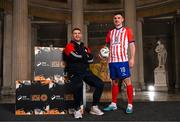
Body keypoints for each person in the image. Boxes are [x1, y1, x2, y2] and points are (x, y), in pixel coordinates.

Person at [64, 28, 104, 119]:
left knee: (100, 84)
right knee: (78, 86)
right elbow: (73, 56)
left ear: (81, 35)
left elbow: (91, 60)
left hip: (86, 71)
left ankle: (94, 107)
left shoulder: (85, 48)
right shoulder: (69, 46)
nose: (77, 35)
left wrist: (83, 57)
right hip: (75, 72)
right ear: (72, 35)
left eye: (78, 33)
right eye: (75, 33)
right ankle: (77, 110)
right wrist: (85, 56)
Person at [103, 13, 136, 114]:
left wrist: (132, 58)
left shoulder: (127, 31)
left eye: (118, 18)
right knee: (114, 82)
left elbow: (132, 45)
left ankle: (130, 104)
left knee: (127, 81)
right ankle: (113, 104)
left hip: (122, 61)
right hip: (112, 62)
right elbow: (107, 47)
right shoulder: (110, 32)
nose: (116, 19)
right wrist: (104, 55)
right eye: (115, 18)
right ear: (113, 20)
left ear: (122, 20)